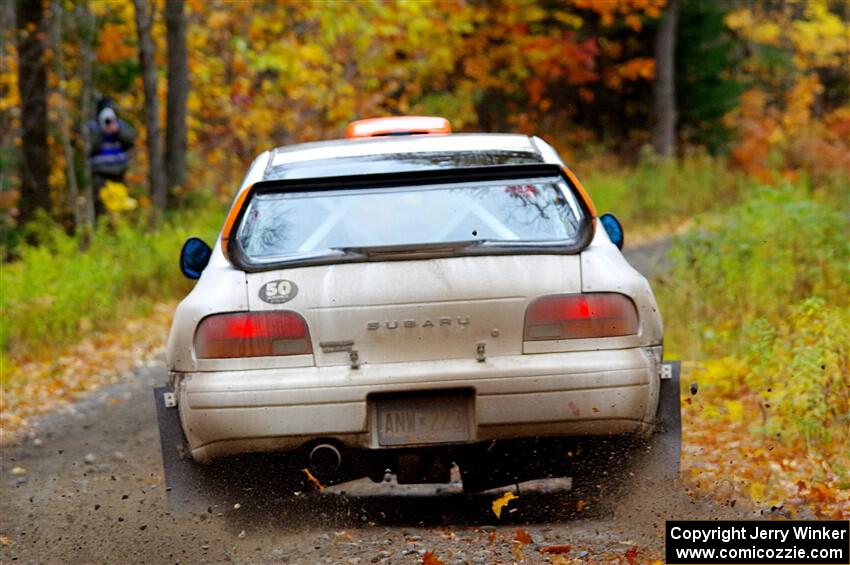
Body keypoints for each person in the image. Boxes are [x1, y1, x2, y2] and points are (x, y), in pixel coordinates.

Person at [89, 97, 136, 216]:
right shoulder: (92, 127)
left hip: (119, 175)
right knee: (102, 209)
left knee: (121, 208)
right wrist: (101, 131)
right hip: (100, 176)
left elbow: (131, 140)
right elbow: (89, 147)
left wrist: (118, 131)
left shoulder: (120, 125)